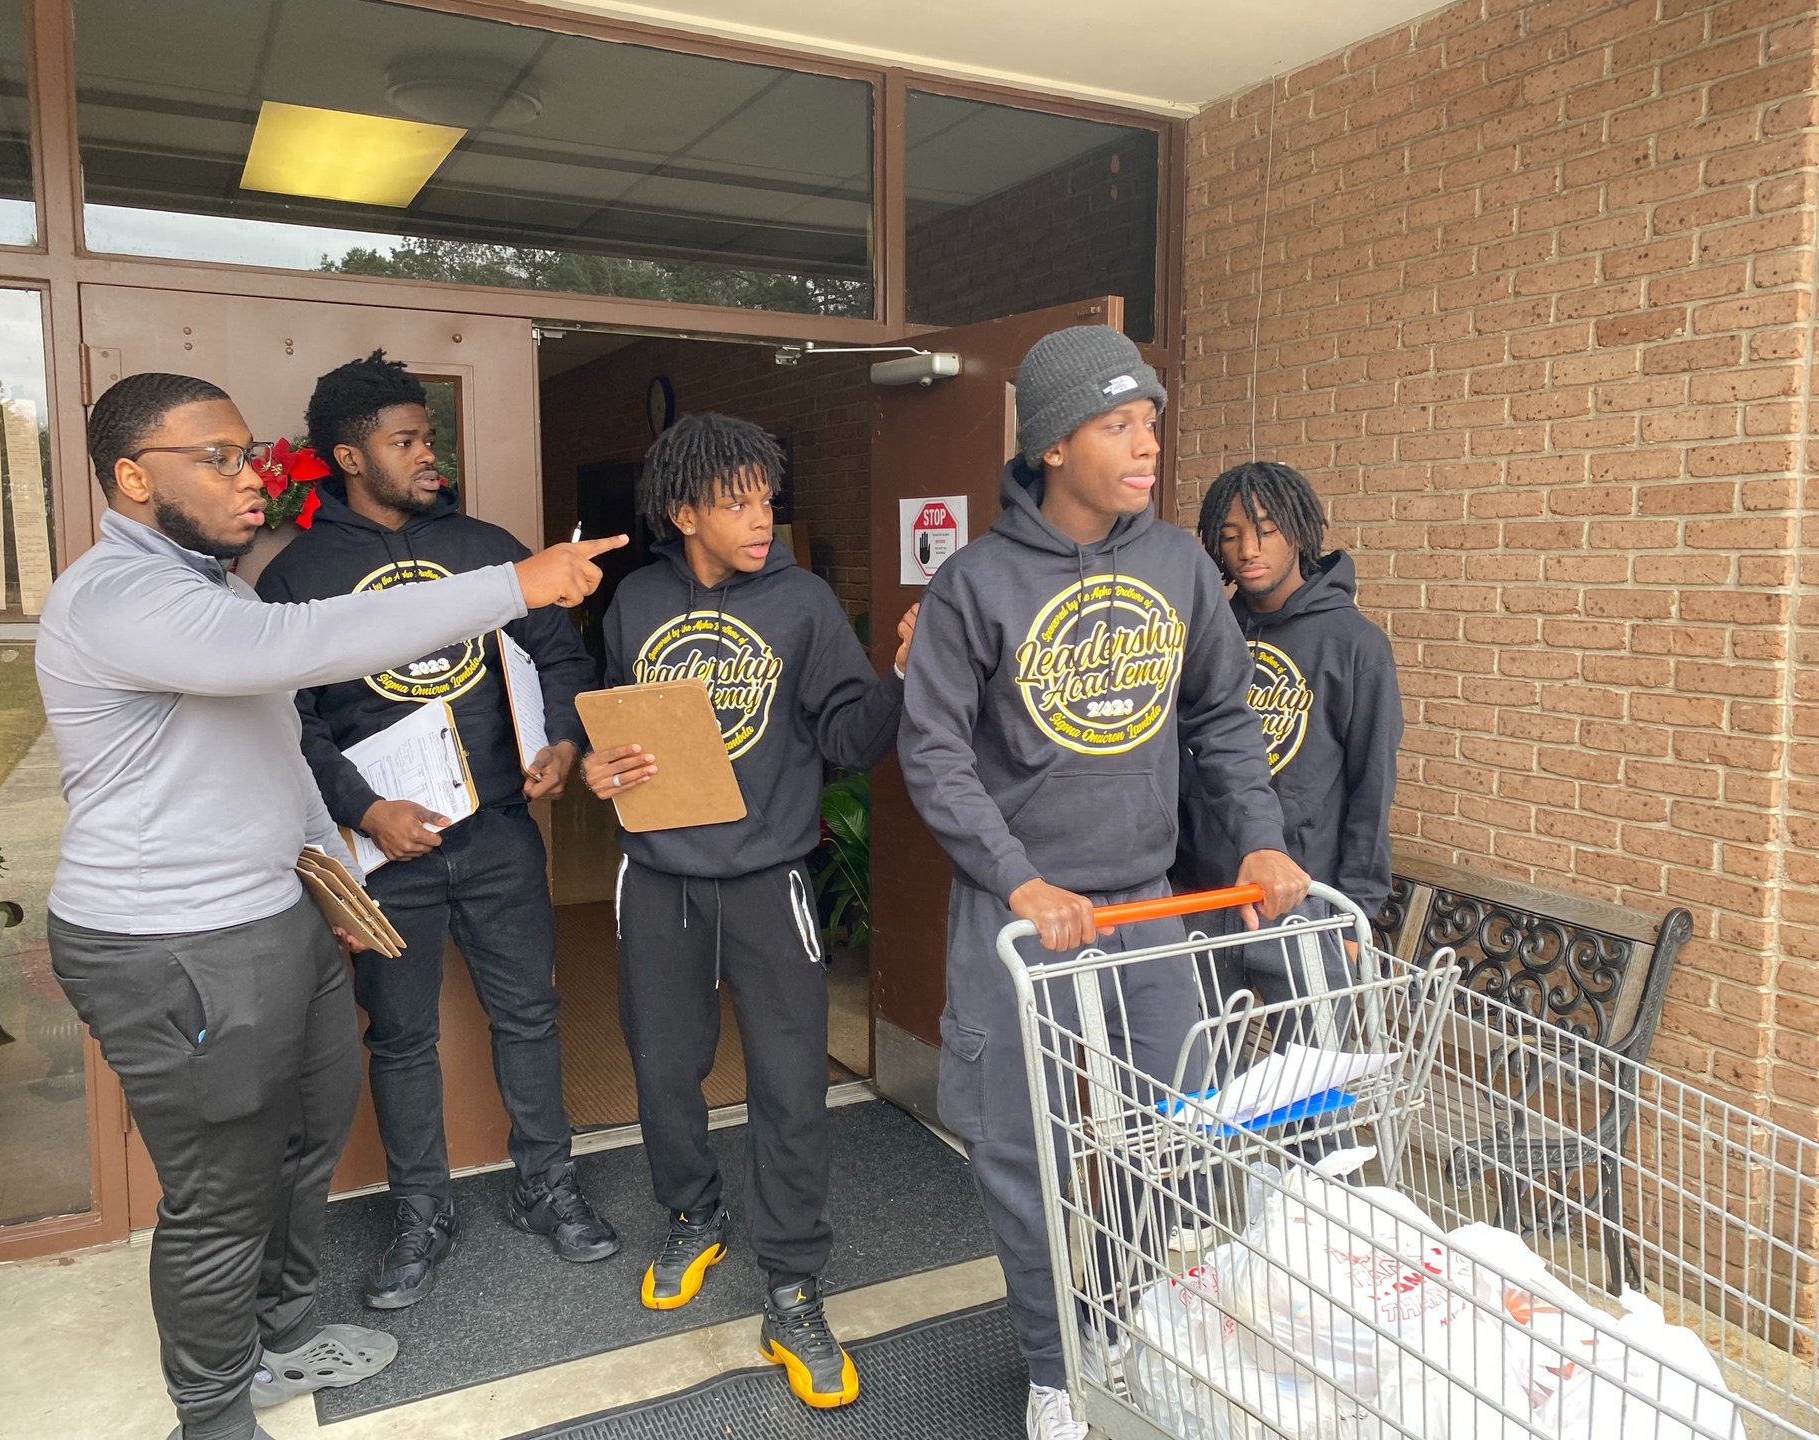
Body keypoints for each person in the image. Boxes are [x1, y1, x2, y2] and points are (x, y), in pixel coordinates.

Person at [36, 371, 622, 1440]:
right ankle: (216, 1418)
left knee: (302, 1147)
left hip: (280, 911)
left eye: (247, 453)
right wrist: (513, 582)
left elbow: (273, 749)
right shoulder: (118, 595)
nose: (248, 476)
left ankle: (275, 1343)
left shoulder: (217, 593)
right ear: (131, 477)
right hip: (177, 940)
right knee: (222, 1193)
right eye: (216, 457)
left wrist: (329, 877)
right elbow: (295, 652)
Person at [896, 325, 1311, 1440]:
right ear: (1052, 445)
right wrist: (1018, 880)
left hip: (1147, 905)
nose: (1147, 446)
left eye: (1151, 422)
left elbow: (1223, 719)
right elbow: (933, 751)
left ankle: (1115, 1316)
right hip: (1021, 921)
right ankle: (1053, 1365)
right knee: (1018, 1147)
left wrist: (1258, 840)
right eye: (1118, 424)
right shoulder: (974, 584)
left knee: (1175, 1136)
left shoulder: (1179, 565)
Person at [255, 351, 616, 1310]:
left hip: (498, 832)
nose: (427, 455)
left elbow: (559, 655)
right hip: (385, 852)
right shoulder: (298, 577)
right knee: (402, 1037)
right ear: (349, 457)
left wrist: (563, 741)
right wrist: (364, 809)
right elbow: (289, 720)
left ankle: (547, 1187)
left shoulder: (488, 549)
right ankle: (422, 1212)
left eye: (428, 437)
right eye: (405, 441)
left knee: (530, 1014)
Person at [586, 412, 914, 1411]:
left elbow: (850, 739)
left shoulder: (804, 604)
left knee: (790, 1087)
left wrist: (902, 678)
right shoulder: (637, 602)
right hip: (658, 877)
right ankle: (693, 1216)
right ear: (684, 512)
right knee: (663, 1069)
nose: (761, 518)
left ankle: (794, 1286)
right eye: (736, 503)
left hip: (770, 880)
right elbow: (613, 722)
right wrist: (598, 767)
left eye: (766, 499)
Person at [1174, 461, 1403, 980]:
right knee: (1200, 1038)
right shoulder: (1206, 636)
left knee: (1316, 1038)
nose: (1247, 550)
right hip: (1201, 897)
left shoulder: (1355, 646)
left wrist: (1357, 912)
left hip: (1305, 900)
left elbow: (1372, 785)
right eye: (1229, 536)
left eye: (1267, 531)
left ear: (1298, 533)